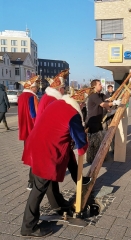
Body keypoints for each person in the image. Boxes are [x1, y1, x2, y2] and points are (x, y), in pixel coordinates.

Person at [20, 89, 88, 238]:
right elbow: (80, 140)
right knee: (39, 187)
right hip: (46, 151)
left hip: (36, 144)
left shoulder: (57, 104)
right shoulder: (73, 114)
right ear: (80, 103)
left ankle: (58, 205)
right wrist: (84, 145)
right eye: (83, 105)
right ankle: (28, 226)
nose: (83, 107)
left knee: (47, 182)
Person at [35, 69, 78, 211]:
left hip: (47, 141)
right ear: (59, 89)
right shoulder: (52, 100)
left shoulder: (48, 98)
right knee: (46, 178)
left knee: (51, 176)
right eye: (64, 88)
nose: (65, 91)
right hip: (50, 143)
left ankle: (57, 202)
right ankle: (56, 204)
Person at [85, 79, 121, 163]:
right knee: (93, 142)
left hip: (98, 121)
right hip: (92, 122)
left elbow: (108, 100)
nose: (101, 85)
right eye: (99, 84)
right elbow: (103, 104)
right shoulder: (93, 95)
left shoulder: (101, 95)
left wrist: (111, 108)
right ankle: (92, 159)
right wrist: (114, 103)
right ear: (94, 86)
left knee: (98, 140)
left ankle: (97, 158)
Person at [18, 75, 40, 190]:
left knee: (30, 155)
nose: (37, 88)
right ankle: (31, 181)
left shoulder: (21, 96)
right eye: (36, 87)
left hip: (25, 130)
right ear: (31, 87)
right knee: (34, 156)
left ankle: (31, 180)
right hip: (32, 130)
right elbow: (33, 114)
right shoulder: (32, 97)